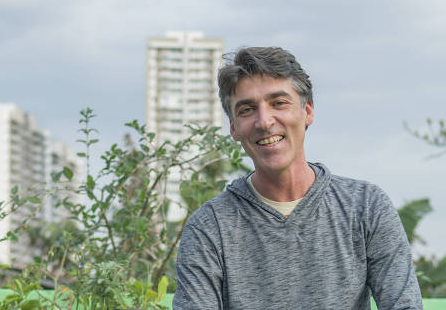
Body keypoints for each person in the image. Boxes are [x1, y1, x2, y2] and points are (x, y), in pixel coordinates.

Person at [173, 47, 423, 309]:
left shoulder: (366, 207)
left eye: (279, 103)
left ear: (308, 111)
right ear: (234, 128)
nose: (264, 121)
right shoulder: (209, 228)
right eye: (247, 109)